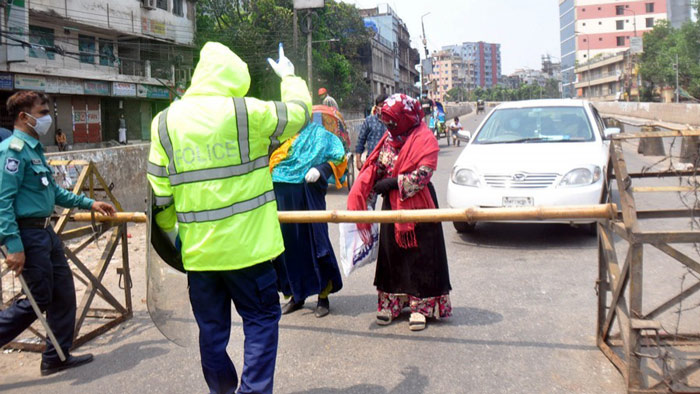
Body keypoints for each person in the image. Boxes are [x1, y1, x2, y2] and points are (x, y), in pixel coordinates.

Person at [147, 42, 311, 394]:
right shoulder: (247, 112)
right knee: (262, 320)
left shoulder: (164, 123)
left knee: (211, 332)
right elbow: (299, 113)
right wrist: (290, 77)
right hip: (250, 252)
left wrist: (173, 235)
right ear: (237, 77)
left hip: (199, 255)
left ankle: (221, 390)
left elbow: (160, 196)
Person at [0, 90, 116, 375]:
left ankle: (56, 356)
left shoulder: (35, 151)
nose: (48, 118)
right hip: (27, 235)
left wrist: (90, 202)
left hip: (46, 232)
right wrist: (13, 244)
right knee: (38, 299)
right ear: (23, 116)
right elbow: (3, 201)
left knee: (64, 294)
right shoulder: (12, 151)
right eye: (42, 113)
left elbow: (54, 193)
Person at [348, 93, 452, 332]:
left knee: (420, 256)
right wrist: (371, 179)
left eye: (393, 122)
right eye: (387, 123)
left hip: (419, 204)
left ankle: (420, 307)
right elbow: (381, 164)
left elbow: (424, 174)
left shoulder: (425, 138)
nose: (390, 127)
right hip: (393, 205)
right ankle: (392, 303)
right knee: (391, 255)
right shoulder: (389, 138)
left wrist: (394, 183)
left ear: (405, 117)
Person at [269, 121, 346, 317]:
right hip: (283, 198)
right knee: (290, 248)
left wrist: (321, 170)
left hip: (307, 196)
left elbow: (338, 158)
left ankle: (323, 296)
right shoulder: (281, 137)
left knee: (316, 244)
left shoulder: (320, 135)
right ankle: (297, 295)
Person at [354, 94, 387, 170]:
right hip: (372, 161)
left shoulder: (393, 122)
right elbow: (361, 141)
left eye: (385, 106)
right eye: (381, 106)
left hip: (389, 163)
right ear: (376, 107)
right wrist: (358, 160)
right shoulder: (369, 121)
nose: (383, 109)